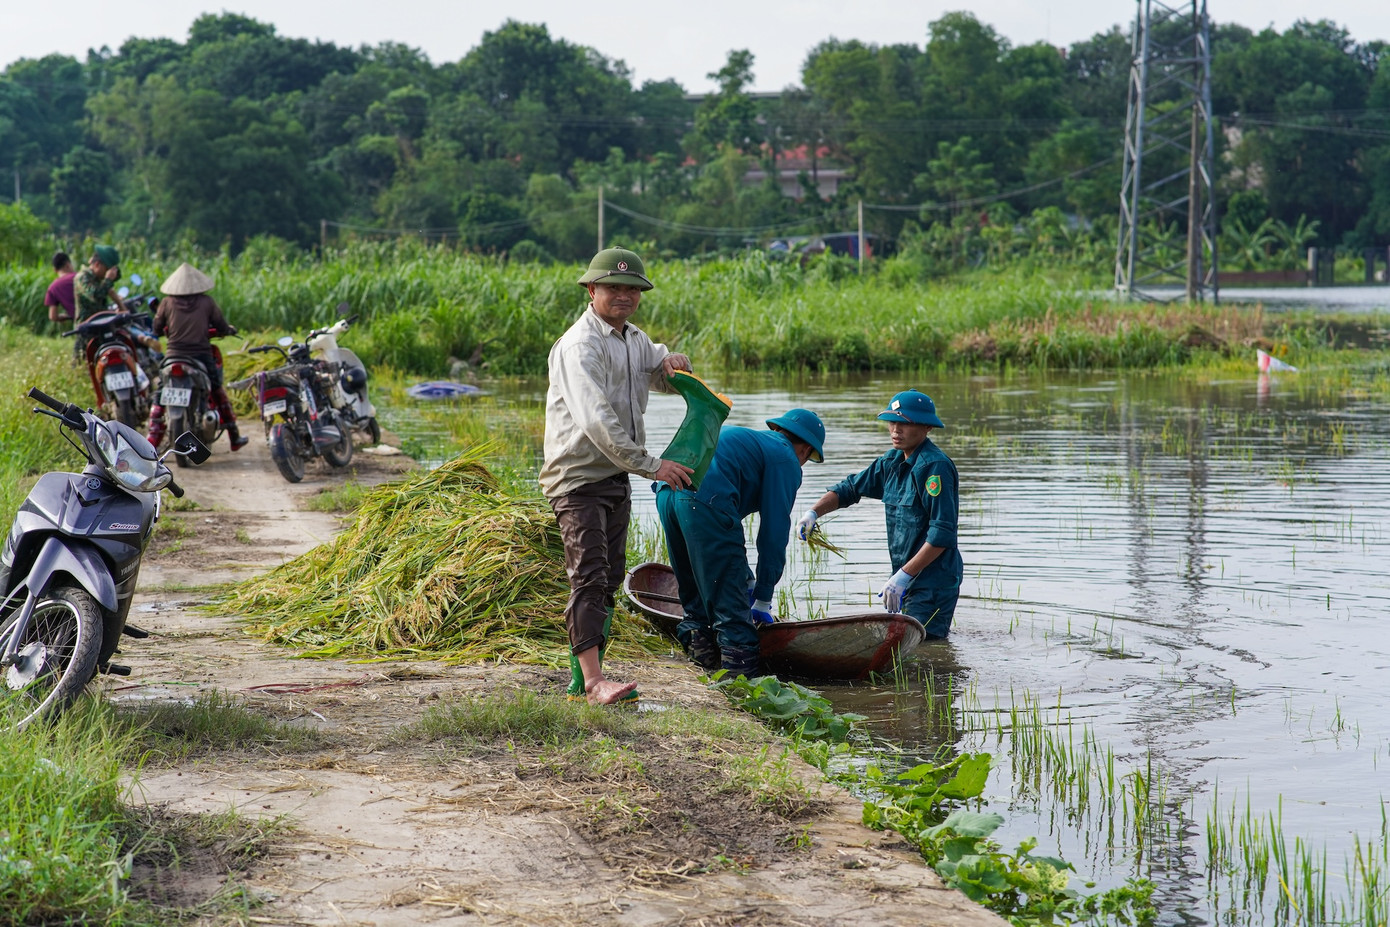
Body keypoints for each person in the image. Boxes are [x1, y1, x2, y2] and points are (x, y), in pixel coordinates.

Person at [540, 247, 694, 706]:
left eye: (632, 289)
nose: (623, 296)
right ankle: (593, 683)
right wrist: (653, 465)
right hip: (576, 476)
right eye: (613, 288)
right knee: (587, 575)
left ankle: (580, 677)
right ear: (592, 291)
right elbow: (598, 421)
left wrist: (674, 364)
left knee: (610, 577)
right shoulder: (579, 346)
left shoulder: (634, 339)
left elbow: (658, 371)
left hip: (613, 475)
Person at [656, 410, 825, 677]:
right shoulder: (786, 458)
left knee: (697, 600)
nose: (805, 462)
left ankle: (704, 667)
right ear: (806, 448)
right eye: (811, 457)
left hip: (667, 492)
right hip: (704, 500)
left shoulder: (755, 442)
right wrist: (764, 595)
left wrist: (745, 577)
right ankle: (741, 686)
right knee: (734, 617)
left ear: (780, 430)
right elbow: (774, 530)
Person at [797, 390, 962, 640]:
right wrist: (813, 512)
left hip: (933, 581)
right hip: (905, 575)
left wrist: (904, 576)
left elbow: (942, 534)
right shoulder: (891, 462)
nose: (896, 429)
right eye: (892, 422)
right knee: (908, 645)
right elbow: (850, 488)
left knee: (925, 650)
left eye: (905, 423)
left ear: (927, 426)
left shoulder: (934, 467)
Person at [145, 262, 249, 452]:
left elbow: (157, 328)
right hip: (200, 354)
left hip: (174, 355)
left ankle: (151, 440)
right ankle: (234, 435)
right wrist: (228, 330)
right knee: (216, 388)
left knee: (160, 394)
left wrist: (162, 330)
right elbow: (221, 325)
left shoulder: (167, 302)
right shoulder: (207, 302)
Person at [73, 244, 121, 323]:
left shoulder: (98, 278)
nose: (107, 273)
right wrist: (108, 280)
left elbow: (117, 276)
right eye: (106, 269)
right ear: (97, 264)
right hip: (87, 326)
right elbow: (95, 296)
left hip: (102, 323)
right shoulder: (82, 277)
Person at [45, 252, 77, 323]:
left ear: (54, 270)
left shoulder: (53, 287)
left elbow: (52, 316)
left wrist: (64, 317)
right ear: (68, 265)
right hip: (101, 315)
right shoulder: (81, 276)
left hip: (81, 323)